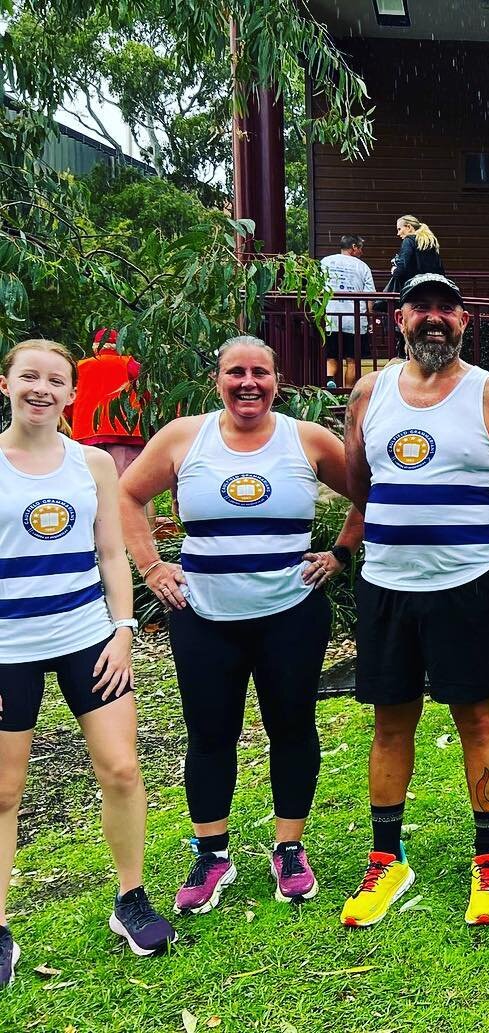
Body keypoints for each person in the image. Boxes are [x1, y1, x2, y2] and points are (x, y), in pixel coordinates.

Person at [119, 336, 363, 917]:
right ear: (218, 379)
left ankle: (290, 847)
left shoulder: (307, 439)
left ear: (277, 380)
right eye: (236, 373)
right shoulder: (184, 438)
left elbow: (372, 495)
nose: (248, 383)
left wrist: (341, 554)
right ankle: (211, 854)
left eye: (260, 372)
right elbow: (128, 497)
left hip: (291, 614)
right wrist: (151, 567)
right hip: (203, 615)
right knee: (210, 733)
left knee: (292, 726)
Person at [339, 273, 489, 928]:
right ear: (398, 319)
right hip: (388, 586)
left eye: (445, 308)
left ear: (464, 320)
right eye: (420, 306)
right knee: (391, 723)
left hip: (465, 586)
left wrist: (486, 542)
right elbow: (358, 482)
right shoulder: (369, 393)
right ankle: (386, 857)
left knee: (477, 721)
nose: (433, 318)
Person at [0, 340, 175, 984]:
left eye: (54, 381)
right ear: (6, 384)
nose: (41, 389)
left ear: (73, 394)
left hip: (86, 636)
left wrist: (123, 631)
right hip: (6, 648)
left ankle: (130, 900)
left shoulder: (94, 464)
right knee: (3, 791)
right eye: (29, 378)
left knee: (123, 770)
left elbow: (109, 557)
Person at [70, 329, 152, 526]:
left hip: (86, 434)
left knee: (92, 487)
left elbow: (68, 402)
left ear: (94, 347)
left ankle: (98, 537)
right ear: (119, 345)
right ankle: (147, 535)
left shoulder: (79, 367)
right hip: (126, 432)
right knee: (135, 488)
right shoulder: (130, 364)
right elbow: (148, 395)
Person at [321, 234, 375, 389]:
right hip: (354, 320)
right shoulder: (362, 266)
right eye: (360, 249)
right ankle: (348, 393)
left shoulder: (325, 262)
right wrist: (369, 318)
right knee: (352, 360)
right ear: (354, 247)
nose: (361, 252)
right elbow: (369, 296)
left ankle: (330, 381)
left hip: (331, 317)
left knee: (331, 358)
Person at [383, 215, 444, 295]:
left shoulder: (408, 241)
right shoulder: (430, 242)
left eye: (399, 229)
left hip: (414, 291)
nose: (398, 233)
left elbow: (401, 270)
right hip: (433, 289)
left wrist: (394, 270)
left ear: (408, 227)